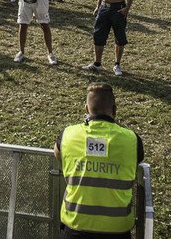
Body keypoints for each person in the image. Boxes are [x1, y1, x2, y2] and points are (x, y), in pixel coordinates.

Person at [55, 83, 144, 239]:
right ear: (114, 109)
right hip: (117, 230)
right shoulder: (131, 139)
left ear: (86, 109)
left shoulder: (68, 134)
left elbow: (58, 154)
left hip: (75, 226)